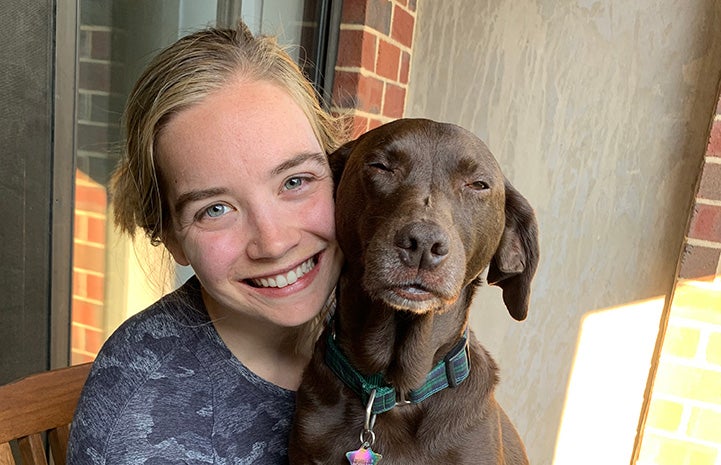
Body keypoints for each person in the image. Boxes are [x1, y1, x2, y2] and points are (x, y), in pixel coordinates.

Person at [68, 21, 348, 464]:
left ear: (339, 175)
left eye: (295, 181)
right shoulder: (143, 427)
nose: (273, 242)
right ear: (171, 236)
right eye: (214, 209)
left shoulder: (378, 309)